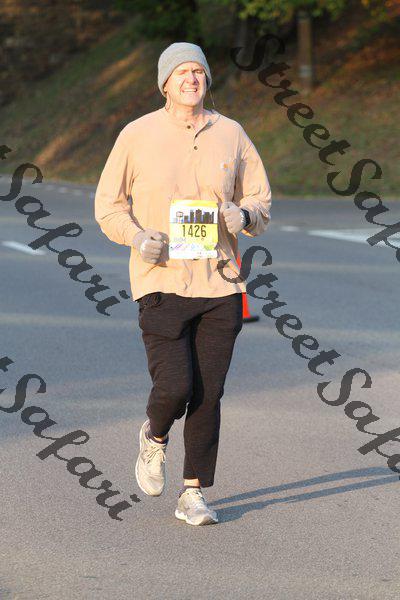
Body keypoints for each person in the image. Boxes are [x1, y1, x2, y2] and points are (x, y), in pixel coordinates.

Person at [94, 42, 272, 526]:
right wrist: (137, 237)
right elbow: (108, 206)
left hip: (221, 284)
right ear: (165, 84)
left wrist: (244, 215)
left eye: (198, 71)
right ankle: (154, 437)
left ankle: (193, 493)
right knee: (175, 386)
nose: (191, 78)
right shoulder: (137, 135)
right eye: (181, 72)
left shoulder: (231, 133)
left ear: (207, 79)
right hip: (161, 281)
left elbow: (259, 198)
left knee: (208, 393)